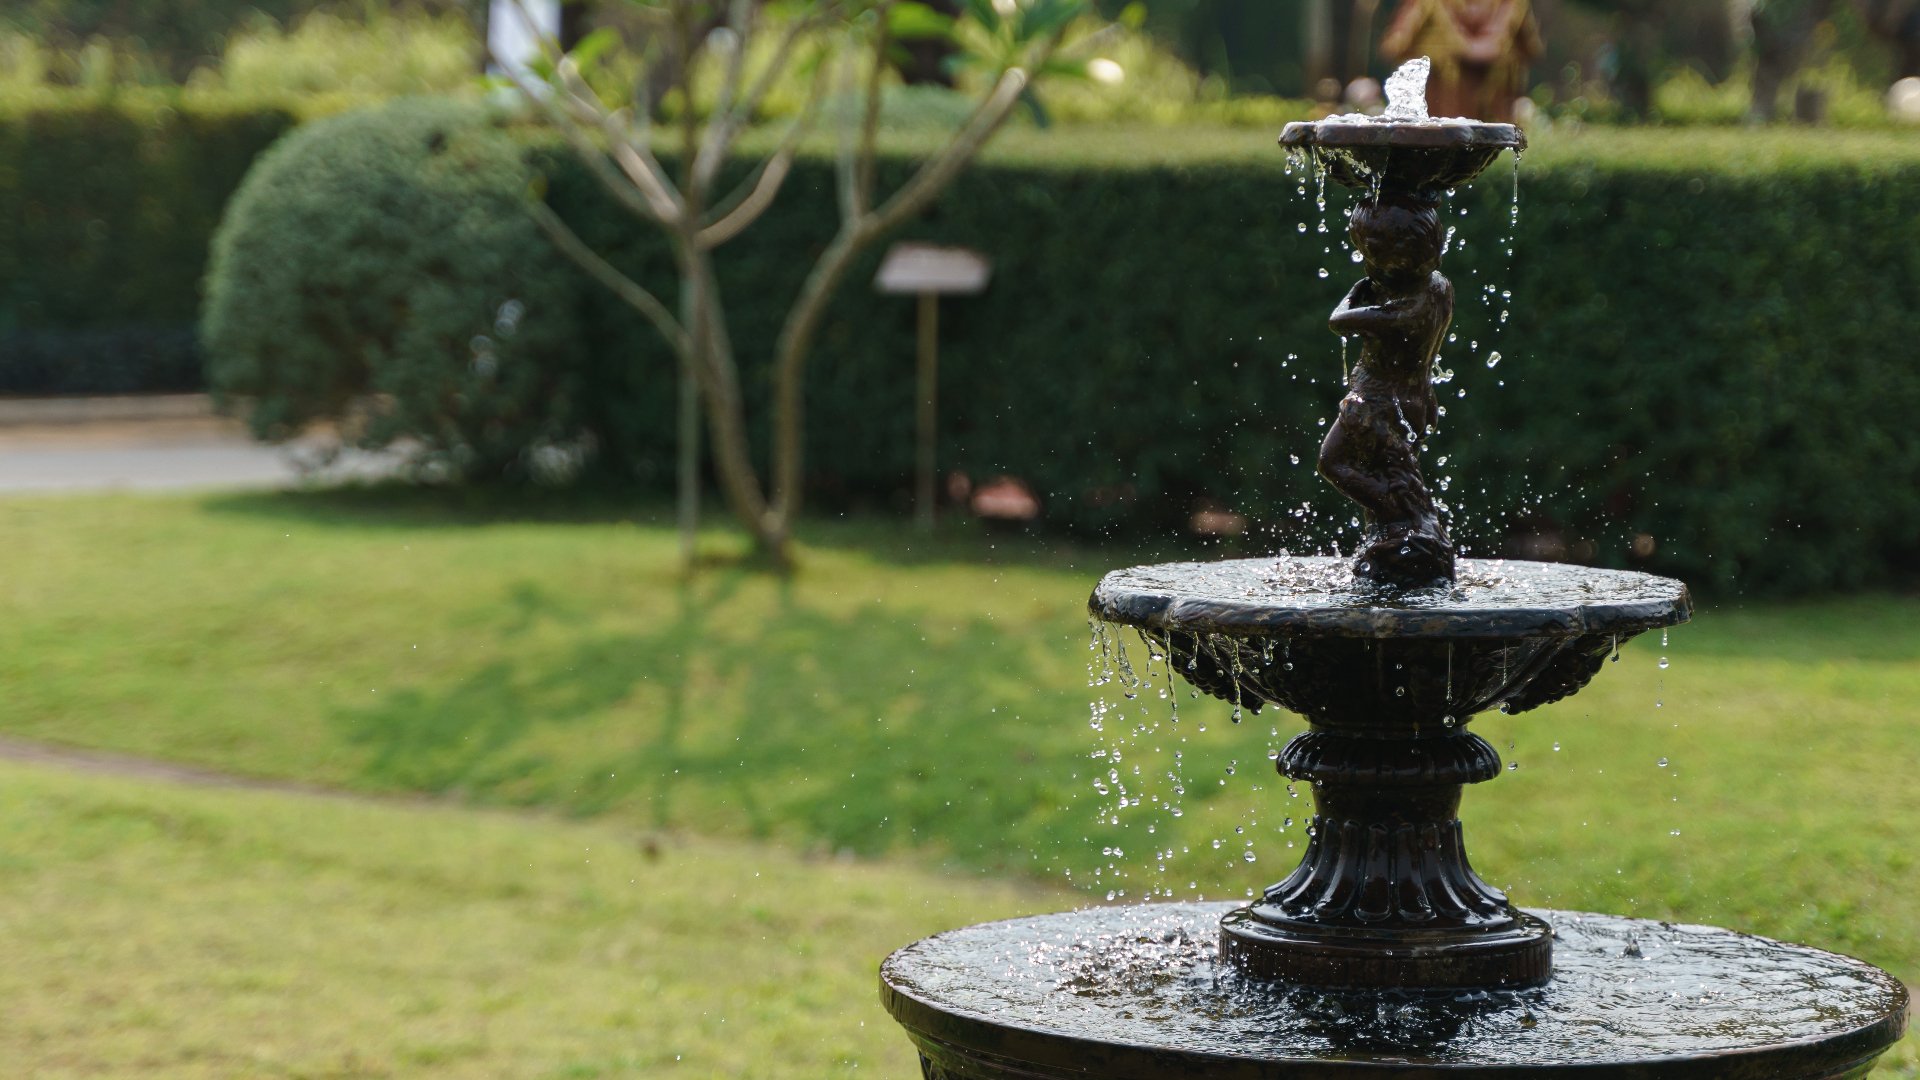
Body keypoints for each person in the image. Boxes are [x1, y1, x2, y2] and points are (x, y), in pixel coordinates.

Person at [1316, 195, 1454, 586]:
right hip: (1418, 399)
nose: (1366, 262)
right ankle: (1398, 535)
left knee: (1332, 462)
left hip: (1378, 402)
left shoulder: (1403, 310)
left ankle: (1396, 517)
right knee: (1396, 470)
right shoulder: (1439, 288)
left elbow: (1339, 320)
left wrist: (1359, 288)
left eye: (1372, 253)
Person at [1379, 0, 1542, 122]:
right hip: (1437, 117)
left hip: (1493, 112)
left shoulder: (1509, 5)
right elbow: (1395, 46)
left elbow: (1529, 50)